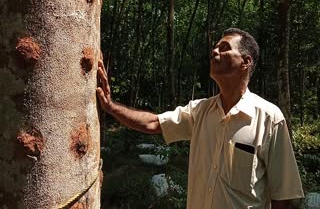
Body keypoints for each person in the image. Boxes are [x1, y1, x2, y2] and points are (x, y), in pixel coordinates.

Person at [96, 28, 304, 209]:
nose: (214, 51)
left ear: (246, 62)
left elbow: (282, 196)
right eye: (215, 47)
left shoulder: (269, 118)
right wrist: (111, 107)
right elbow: (153, 123)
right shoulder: (199, 111)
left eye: (224, 48)